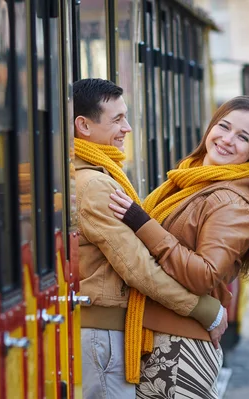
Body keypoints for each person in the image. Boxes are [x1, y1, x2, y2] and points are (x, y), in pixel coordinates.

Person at [108, 96, 249, 398]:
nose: (227, 140)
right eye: (224, 126)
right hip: (157, 344)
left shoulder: (233, 203)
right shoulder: (188, 183)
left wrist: (141, 222)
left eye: (242, 137)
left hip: (179, 353)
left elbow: (204, 275)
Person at [73, 78, 228, 399]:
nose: (127, 128)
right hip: (101, 337)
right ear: (83, 126)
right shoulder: (95, 185)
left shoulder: (96, 174)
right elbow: (137, 265)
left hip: (102, 332)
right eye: (117, 119)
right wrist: (201, 308)